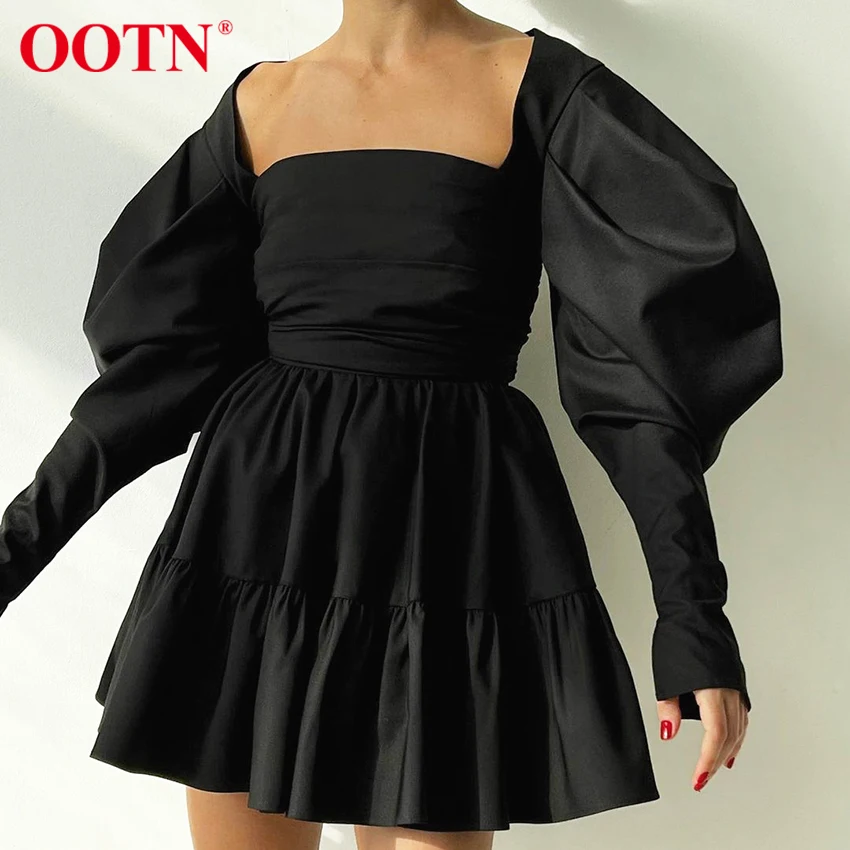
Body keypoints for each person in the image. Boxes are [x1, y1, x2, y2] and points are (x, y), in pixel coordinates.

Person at [0, 3, 783, 849]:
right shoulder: (261, 102)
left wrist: (692, 613)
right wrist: (14, 549)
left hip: (445, 551)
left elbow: (635, 383)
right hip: (258, 539)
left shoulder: (545, 90)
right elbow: (153, 378)